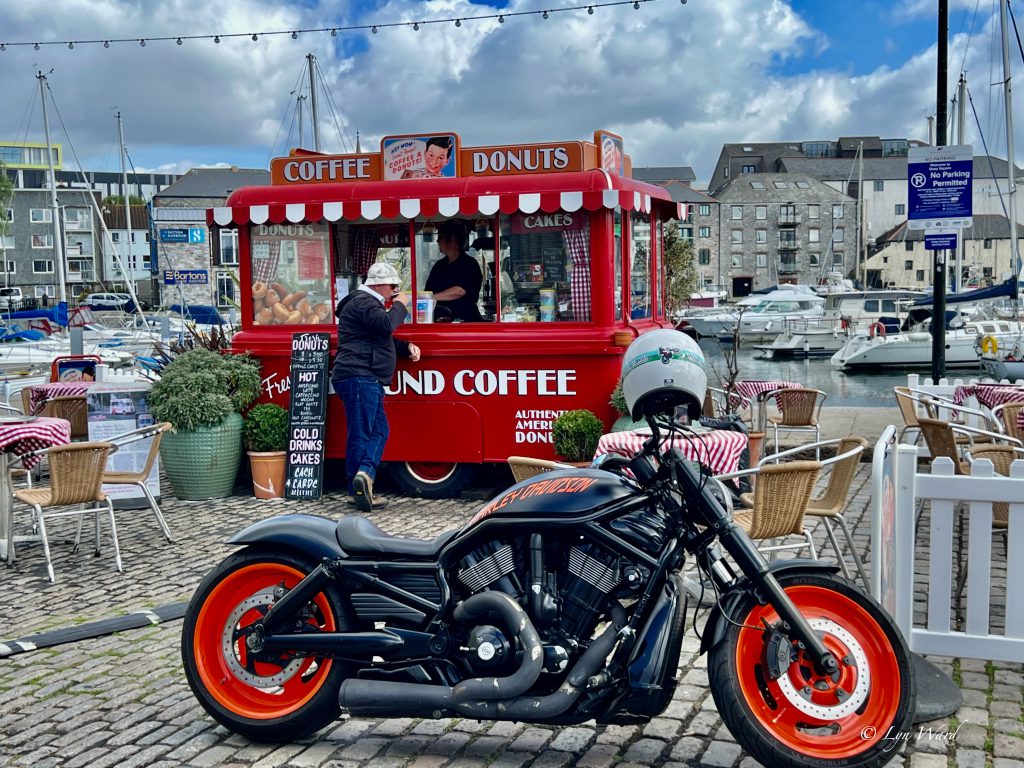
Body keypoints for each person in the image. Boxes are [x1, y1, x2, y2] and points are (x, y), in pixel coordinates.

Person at [332, 262, 421, 511]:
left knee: (379, 430)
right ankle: (359, 485)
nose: (395, 291)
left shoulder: (364, 303)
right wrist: (401, 304)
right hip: (360, 376)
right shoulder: (364, 302)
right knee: (363, 433)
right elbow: (385, 326)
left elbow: (379, 337)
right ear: (379, 284)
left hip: (362, 376)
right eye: (393, 286)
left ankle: (363, 477)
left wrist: (405, 346)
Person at [425, 220, 483, 322]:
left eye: (440, 238)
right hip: (440, 321)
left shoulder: (470, 264)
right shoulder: (439, 266)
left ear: (453, 239)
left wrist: (432, 297)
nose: (438, 242)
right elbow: (428, 292)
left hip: (466, 321)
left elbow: (460, 291)